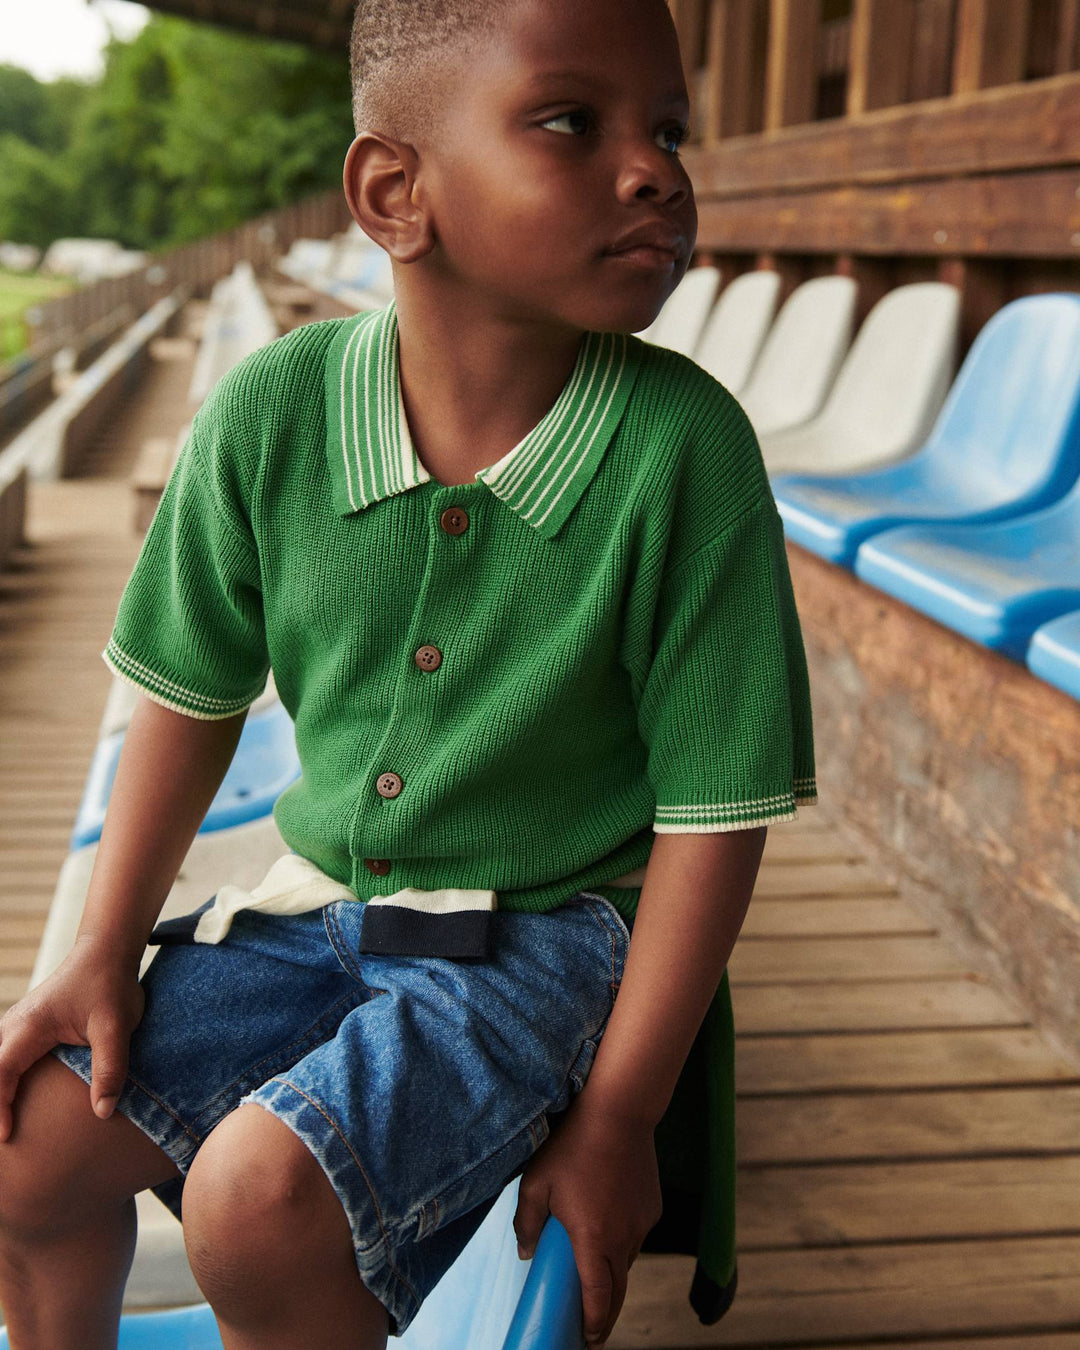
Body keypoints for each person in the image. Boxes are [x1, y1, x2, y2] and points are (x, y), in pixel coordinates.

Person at [0, 0, 817, 1346]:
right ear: (395, 194)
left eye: (669, 130)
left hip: (544, 934)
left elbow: (714, 817)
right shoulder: (269, 414)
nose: (656, 172)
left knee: (252, 1207)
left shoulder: (686, 453)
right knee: (25, 1138)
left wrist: (619, 1116)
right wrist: (99, 948)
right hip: (323, 905)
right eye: (574, 122)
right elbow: (188, 697)